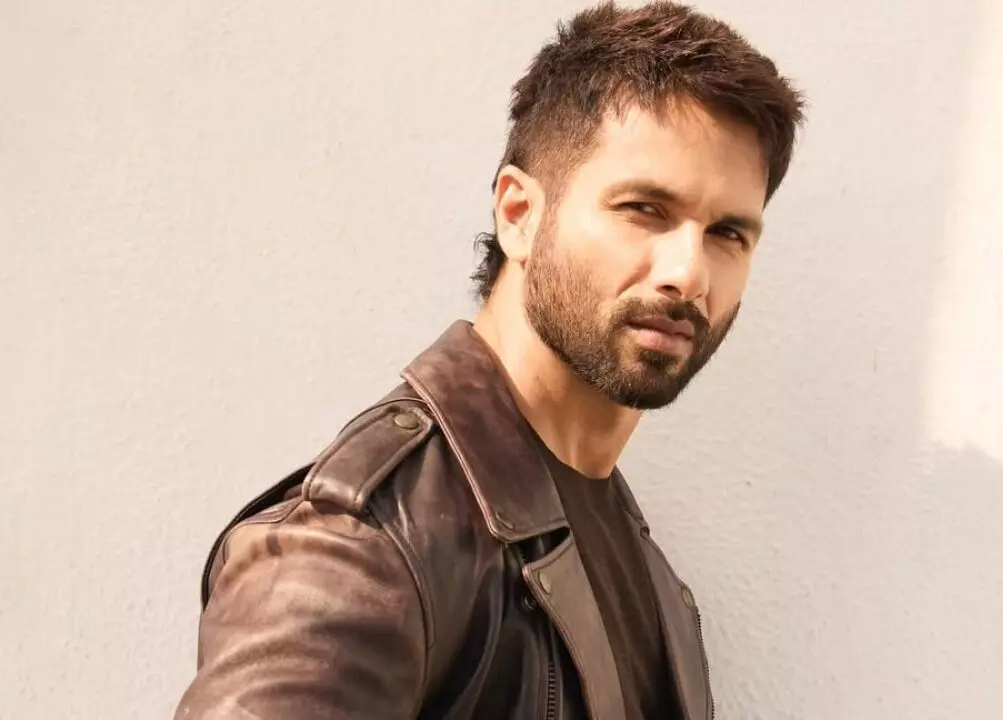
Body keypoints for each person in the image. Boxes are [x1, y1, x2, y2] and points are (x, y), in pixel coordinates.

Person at [174, 1, 805, 718]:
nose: (688, 273)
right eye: (644, 209)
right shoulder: (366, 545)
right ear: (518, 215)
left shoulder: (641, 562)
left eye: (727, 233)